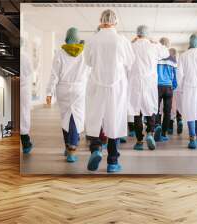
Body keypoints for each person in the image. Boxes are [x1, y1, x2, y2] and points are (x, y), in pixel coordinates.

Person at [84, 9, 134, 173]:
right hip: (116, 84)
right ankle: (112, 162)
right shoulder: (122, 40)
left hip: (97, 83)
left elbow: (88, 62)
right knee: (115, 119)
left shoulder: (92, 40)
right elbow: (130, 62)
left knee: (95, 116)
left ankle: (96, 149)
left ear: (101, 20)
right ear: (115, 21)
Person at [45, 27, 90, 163]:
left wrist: (49, 92)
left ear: (66, 38)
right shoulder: (84, 53)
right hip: (79, 89)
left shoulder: (59, 53)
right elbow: (89, 72)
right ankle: (72, 150)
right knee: (75, 118)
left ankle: (67, 146)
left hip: (62, 89)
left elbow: (54, 75)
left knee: (65, 117)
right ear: (78, 38)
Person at [128, 25, 169, 151]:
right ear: (147, 34)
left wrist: (131, 42)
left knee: (137, 111)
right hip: (149, 82)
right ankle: (150, 133)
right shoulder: (153, 46)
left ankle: (139, 140)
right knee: (150, 107)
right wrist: (156, 42)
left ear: (137, 34)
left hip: (135, 82)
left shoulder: (131, 46)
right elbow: (166, 53)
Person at [177, 34, 197, 149]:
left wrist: (180, 88)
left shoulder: (183, 56)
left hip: (188, 88)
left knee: (190, 113)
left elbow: (179, 75)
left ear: (190, 42)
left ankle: (192, 139)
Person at [155, 37, 177, 142]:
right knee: (167, 111)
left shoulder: (156, 57)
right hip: (168, 87)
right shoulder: (172, 58)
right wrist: (174, 85)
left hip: (157, 86)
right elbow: (175, 76)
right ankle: (164, 133)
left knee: (155, 109)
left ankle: (157, 126)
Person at [20, 39, 34, 154]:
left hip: (15, 86)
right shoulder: (25, 57)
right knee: (24, 114)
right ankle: (25, 144)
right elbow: (30, 71)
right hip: (23, 89)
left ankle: (25, 142)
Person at [167, 48, 183, 135]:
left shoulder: (168, 64)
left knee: (170, 107)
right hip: (179, 88)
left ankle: (170, 127)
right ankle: (179, 120)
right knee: (178, 106)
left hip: (171, 87)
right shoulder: (179, 64)